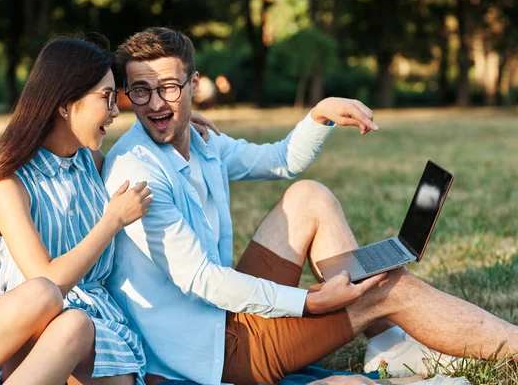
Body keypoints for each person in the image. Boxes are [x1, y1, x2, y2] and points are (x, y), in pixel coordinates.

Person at [102, 27, 518, 385]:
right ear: (127, 94)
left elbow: (279, 159)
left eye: (169, 87)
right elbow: (204, 281)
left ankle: (386, 341)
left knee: (309, 196)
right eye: (141, 90)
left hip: (219, 312)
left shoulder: (201, 141)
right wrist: (308, 303)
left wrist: (320, 115)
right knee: (387, 287)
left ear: (193, 85)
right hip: (207, 351)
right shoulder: (137, 171)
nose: (156, 103)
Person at [0, 36, 154, 385]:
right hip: (32, 349)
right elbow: (50, 282)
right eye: (106, 98)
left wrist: (182, 123)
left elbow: (146, 151)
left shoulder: (92, 163)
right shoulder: (9, 187)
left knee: (74, 323)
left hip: (99, 349)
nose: (114, 110)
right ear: (65, 105)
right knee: (43, 292)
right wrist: (112, 221)